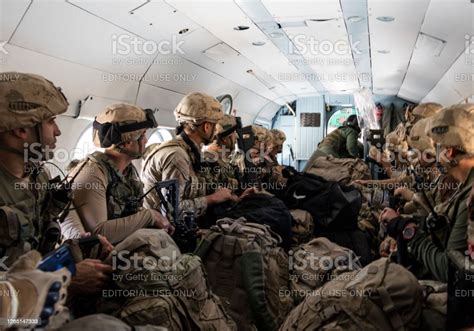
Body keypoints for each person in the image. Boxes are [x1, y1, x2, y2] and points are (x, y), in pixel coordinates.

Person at [0, 72, 112, 328]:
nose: (59, 130)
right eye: (51, 121)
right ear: (21, 129)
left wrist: (78, 247)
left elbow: (35, 247)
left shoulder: (39, 176)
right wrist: (66, 278)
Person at [380, 103, 474, 283]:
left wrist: (408, 232)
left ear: (448, 151)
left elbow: (452, 272)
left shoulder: (468, 196)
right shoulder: (463, 186)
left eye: (435, 148)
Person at [62, 104, 173, 244]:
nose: (146, 141)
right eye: (143, 135)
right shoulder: (93, 173)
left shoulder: (127, 170)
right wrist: (150, 216)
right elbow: (98, 233)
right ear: (127, 142)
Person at [141, 92, 240, 220]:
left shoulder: (191, 152)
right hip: (163, 231)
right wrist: (213, 198)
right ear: (206, 127)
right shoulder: (177, 156)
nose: (216, 132)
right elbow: (172, 212)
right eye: (214, 126)